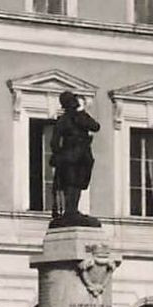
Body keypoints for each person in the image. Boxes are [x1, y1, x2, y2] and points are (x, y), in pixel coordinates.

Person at [50, 91, 101, 226]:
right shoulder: (65, 120)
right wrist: (60, 155)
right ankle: (70, 211)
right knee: (72, 183)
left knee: (76, 183)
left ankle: (72, 211)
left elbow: (95, 127)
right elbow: (54, 142)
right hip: (72, 156)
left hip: (79, 155)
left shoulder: (75, 118)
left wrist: (59, 154)